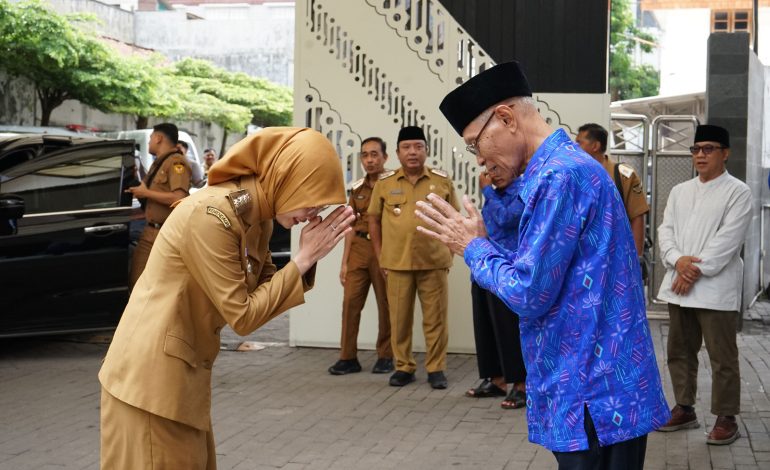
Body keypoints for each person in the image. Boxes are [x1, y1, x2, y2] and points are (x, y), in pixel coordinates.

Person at [416, 61, 669, 469]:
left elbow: (528, 292)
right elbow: (533, 260)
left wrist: (472, 247)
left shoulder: (559, 178)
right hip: (599, 386)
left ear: (505, 118)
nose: (479, 159)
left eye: (474, 144)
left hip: (592, 394)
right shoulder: (557, 170)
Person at [99, 127, 355, 469]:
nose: (314, 214)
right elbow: (244, 315)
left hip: (179, 382)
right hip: (149, 385)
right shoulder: (212, 215)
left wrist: (309, 257)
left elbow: (265, 286)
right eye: (312, 199)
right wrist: (304, 258)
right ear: (285, 178)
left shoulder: (256, 216)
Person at [655, 124, 752, 445]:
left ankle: (726, 417)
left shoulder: (738, 191)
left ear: (726, 153)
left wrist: (691, 270)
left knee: (722, 356)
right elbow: (665, 231)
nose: (700, 155)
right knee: (679, 351)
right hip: (679, 286)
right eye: (696, 149)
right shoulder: (681, 190)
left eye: (709, 149)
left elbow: (728, 241)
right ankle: (685, 407)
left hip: (714, 288)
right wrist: (677, 261)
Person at [368, 126, 459, 389]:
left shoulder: (441, 181)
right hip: (396, 262)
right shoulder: (385, 183)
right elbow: (373, 220)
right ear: (397, 153)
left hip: (434, 261)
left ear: (426, 151)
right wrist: (380, 254)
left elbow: (454, 217)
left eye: (418, 147)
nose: (413, 152)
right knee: (399, 319)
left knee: (436, 319)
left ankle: (436, 368)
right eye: (407, 147)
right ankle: (403, 367)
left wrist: (450, 250)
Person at [328, 137, 393, 375]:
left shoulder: (394, 184)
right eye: (365, 155)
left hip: (384, 249)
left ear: (385, 157)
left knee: (386, 304)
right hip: (358, 248)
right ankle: (348, 357)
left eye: (375, 154)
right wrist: (344, 262)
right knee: (350, 303)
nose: (370, 159)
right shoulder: (356, 189)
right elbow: (350, 226)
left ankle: (386, 355)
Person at [466, 168, 527, 409]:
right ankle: (497, 379)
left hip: (509, 271)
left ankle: (521, 385)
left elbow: (508, 218)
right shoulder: (494, 193)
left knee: (509, 329)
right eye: (491, 169)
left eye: (499, 169)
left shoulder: (523, 190)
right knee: (486, 326)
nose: (494, 174)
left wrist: (486, 192)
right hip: (484, 268)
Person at [126, 123, 192, 289]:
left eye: (150, 139)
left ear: (158, 138)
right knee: (137, 283)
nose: (149, 142)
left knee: (158, 288)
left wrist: (146, 193)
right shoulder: (159, 163)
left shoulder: (177, 163)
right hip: (150, 231)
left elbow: (179, 197)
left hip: (166, 234)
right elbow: (150, 191)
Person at [575, 123, 649, 259]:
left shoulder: (623, 175)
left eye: (579, 143)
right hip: (583, 257)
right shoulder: (575, 176)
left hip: (615, 256)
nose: (575, 147)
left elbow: (637, 215)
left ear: (595, 146)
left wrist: (635, 258)